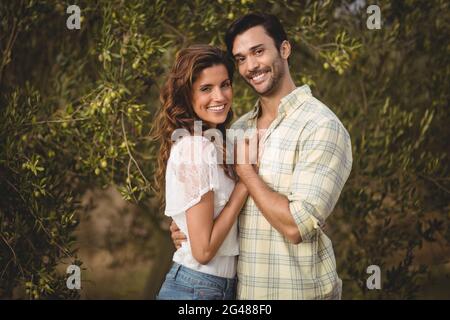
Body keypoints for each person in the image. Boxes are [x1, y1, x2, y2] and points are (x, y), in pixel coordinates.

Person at [170, 13, 353, 299]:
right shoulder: (236, 130)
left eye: (258, 51)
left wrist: (246, 174)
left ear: (284, 49)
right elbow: (214, 208)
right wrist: (186, 227)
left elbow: (295, 226)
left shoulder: (320, 126)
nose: (251, 66)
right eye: (240, 58)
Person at [152, 45, 249, 300]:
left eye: (225, 84)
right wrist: (245, 184)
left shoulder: (215, 143)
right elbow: (203, 251)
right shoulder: (196, 147)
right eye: (206, 89)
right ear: (187, 95)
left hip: (213, 287)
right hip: (197, 288)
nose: (219, 97)